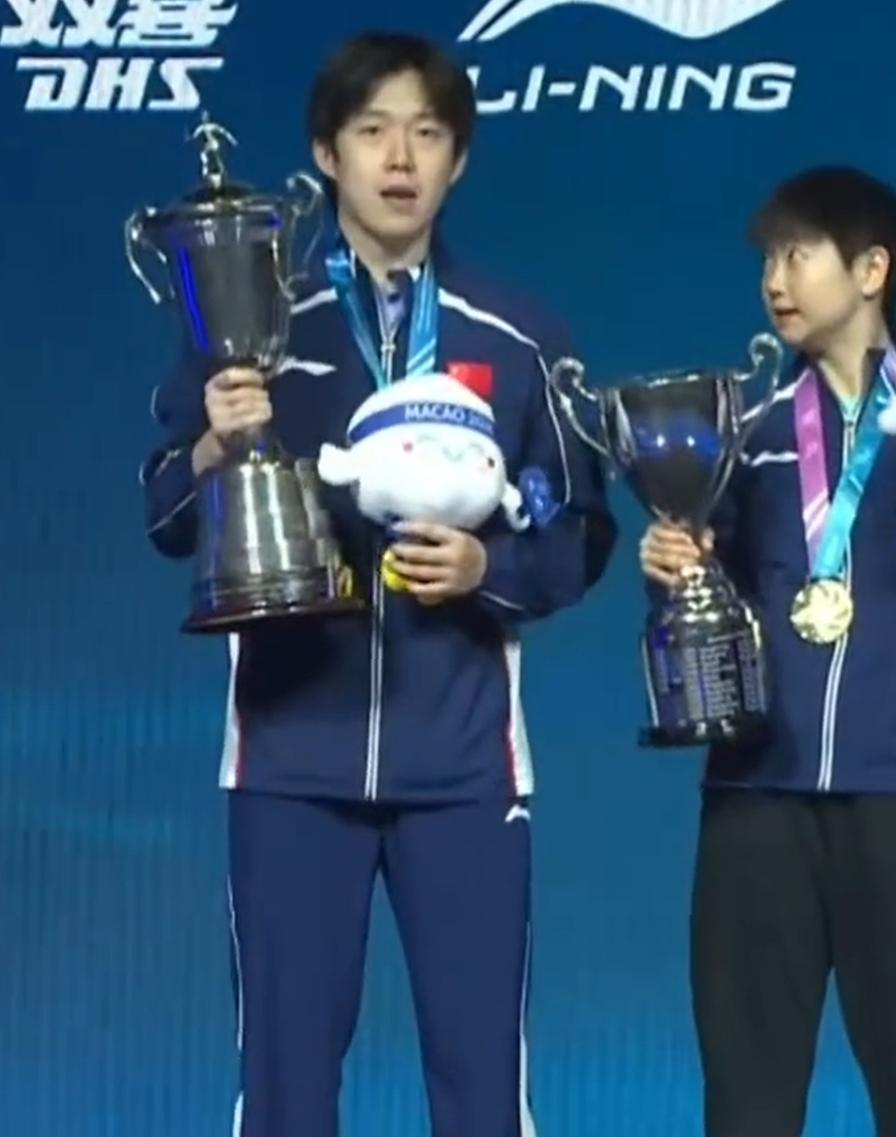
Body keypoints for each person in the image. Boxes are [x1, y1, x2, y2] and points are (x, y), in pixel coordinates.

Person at [140, 31, 616, 1137]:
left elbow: (583, 530)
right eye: (372, 131)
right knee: (287, 1095)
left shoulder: (519, 335)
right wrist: (212, 444)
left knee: (483, 1095)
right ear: (327, 154)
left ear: (459, 160)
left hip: (464, 770)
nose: (400, 158)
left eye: (427, 134)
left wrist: (489, 569)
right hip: (288, 761)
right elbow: (163, 512)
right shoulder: (252, 320)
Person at [640, 166, 896, 1137]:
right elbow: (706, 599)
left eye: (797, 255)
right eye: (765, 261)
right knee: (746, 1106)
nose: (773, 281)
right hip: (754, 798)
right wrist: (676, 564)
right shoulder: (739, 431)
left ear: (871, 269)